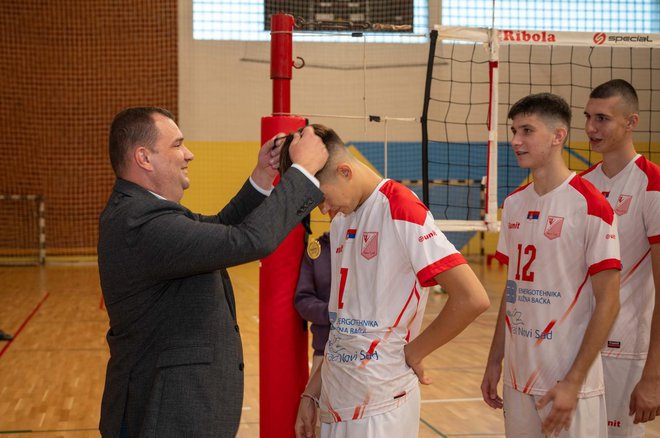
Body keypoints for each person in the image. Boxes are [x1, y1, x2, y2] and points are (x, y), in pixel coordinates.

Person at [97, 107, 328, 438]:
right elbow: (250, 240)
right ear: (144, 158)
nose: (188, 154)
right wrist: (303, 172)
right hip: (163, 417)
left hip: (171, 411)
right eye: (177, 145)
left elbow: (220, 229)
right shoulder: (141, 222)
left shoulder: (144, 212)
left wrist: (263, 176)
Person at [283, 124, 491, 438]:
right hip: (336, 397)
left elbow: (472, 298)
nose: (324, 211)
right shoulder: (342, 220)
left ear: (344, 171)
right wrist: (313, 392)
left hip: (381, 407)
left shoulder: (400, 208)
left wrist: (414, 353)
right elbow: (340, 324)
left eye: (322, 199)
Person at [480, 93, 621, 437]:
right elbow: (512, 291)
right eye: (514, 130)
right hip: (518, 377)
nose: (515, 140)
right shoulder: (513, 205)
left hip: (566, 381)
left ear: (558, 136)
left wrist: (573, 382)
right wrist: (495, 359)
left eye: (527, 130)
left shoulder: (591, 206)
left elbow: (610, 301)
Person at [581, 79, 660, 436]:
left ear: (631, 122)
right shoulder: (579, 186)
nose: (590, 128)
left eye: (602, 119)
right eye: (587, 117)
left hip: (625, 350)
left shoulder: (652, 185)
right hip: (576, 346)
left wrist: (653, 376)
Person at [295, 220, 333, 379]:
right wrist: (333, 314)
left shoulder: (368, 246)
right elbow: (303, 300)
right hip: (323, 351)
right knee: (314, 403)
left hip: (366, 354)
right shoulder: (316, 250)